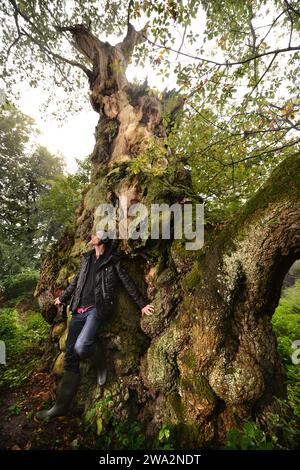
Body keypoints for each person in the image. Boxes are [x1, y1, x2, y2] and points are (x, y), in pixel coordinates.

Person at [35, 230, 154, 420]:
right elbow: (76, 282)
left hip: (96, 310)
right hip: (77, 310)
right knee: (70, 356)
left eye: (96, 234)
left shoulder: (112, 260)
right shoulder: (87, 258)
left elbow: (127, 282)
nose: (92, 235)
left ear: (103, 240)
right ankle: (60, 407)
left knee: (82, 346)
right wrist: (63, 298)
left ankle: (100, 364)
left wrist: (142, 304)